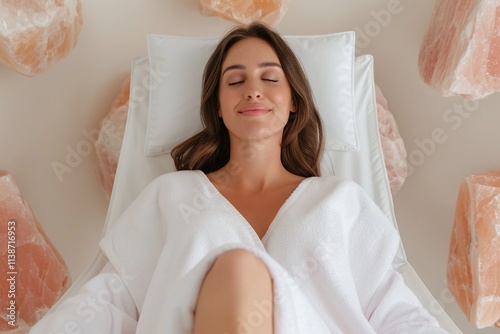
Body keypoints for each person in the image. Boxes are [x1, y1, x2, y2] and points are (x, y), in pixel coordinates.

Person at [30, 22, 448, 334]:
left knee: (238, 270)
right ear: (217, 106)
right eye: (236, 81)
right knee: (234, 271)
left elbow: (394, 311)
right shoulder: (172, 196)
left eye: (270, 78)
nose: (253, 90)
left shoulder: (340, 202)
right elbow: (110, 300)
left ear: (292, 103)